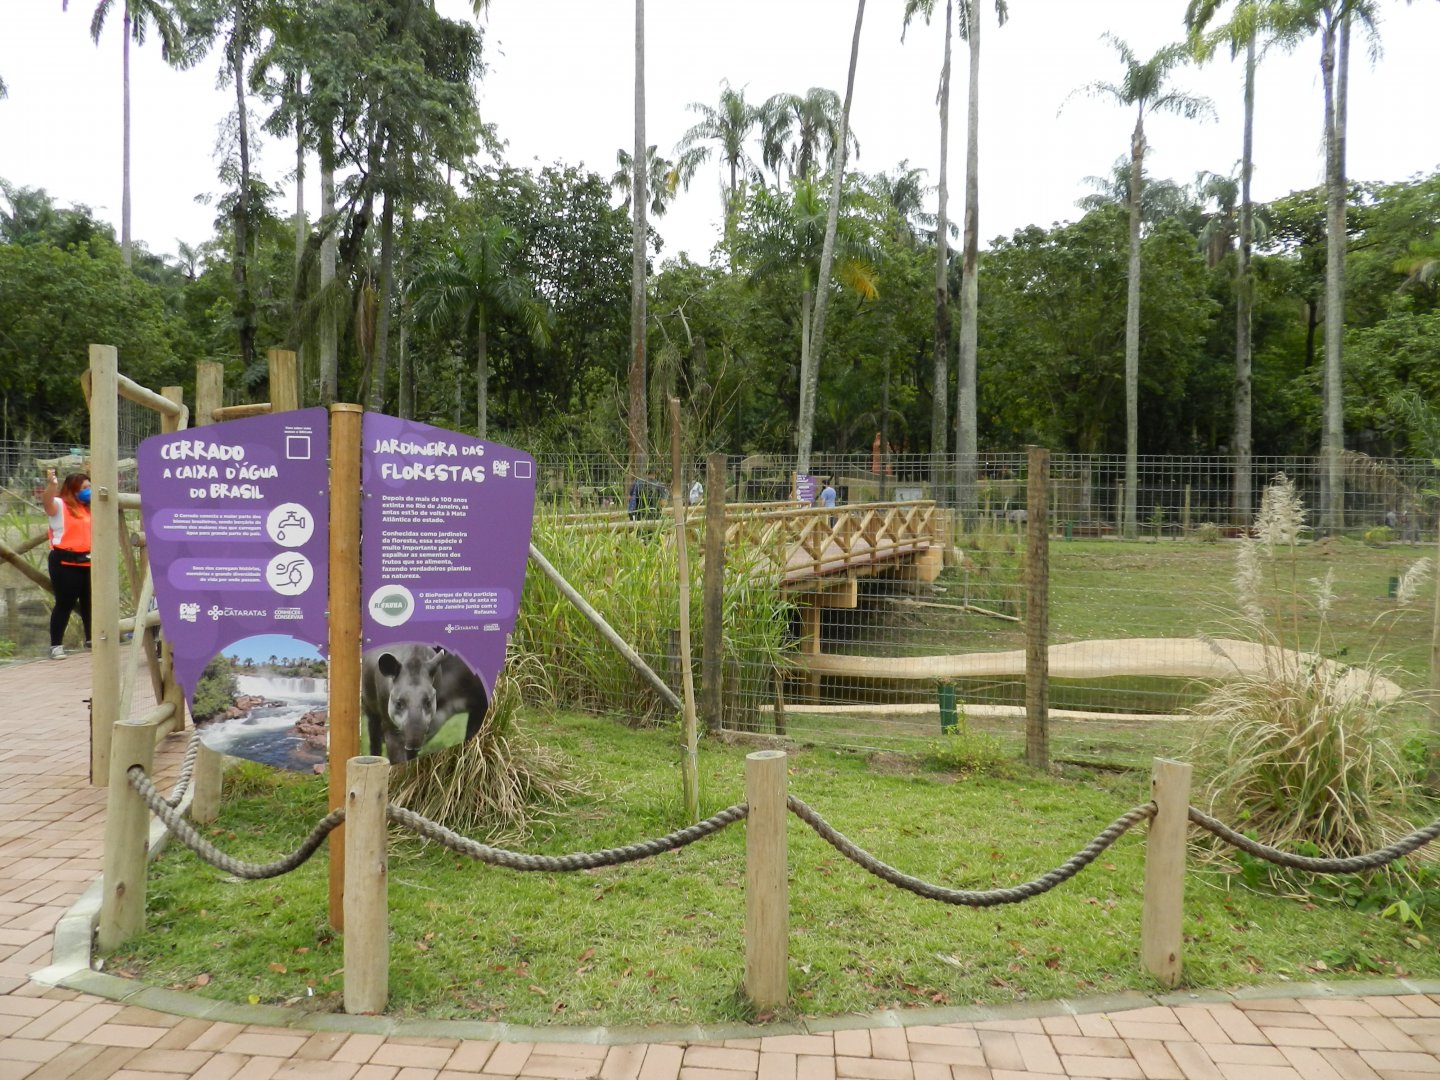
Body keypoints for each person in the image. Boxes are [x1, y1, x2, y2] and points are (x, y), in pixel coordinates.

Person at [43, 468, 93, 660]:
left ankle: (91, 638)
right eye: (85, 487)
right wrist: (52, 486)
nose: (89, 490)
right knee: (65, 603)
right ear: (73, 489)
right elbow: (47, 501)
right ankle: (56, 645)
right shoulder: (59, 505)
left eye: (90, 486)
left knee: (90, 603)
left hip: (87, 560)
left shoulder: (89, 507)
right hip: (65, 561)